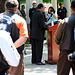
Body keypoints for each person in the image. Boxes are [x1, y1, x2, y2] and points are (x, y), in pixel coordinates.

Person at [3, 0, 28, 75]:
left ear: (5, 7)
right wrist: (10, 48)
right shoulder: (20, 20)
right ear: (16, 9)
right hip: (15, 53)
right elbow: (23, 38)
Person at [54, 0, 75, 75]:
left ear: (71, 8)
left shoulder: (64, 21)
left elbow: (56, 38)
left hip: (66, 50)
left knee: (62, 72)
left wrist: (60, 43)